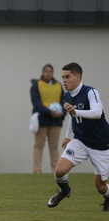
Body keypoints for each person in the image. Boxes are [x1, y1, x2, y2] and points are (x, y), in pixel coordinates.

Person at [47, 62, 109, 211]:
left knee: (100, 186)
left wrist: (75, 112)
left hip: (101, 145)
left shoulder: (90, 92)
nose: (64, 81)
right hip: (80, 141)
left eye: (67, 77)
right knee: (59, 171)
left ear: (78, 77)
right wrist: (68, 136)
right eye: (62, 77)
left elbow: (97, 112)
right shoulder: (67, 95)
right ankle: (65, 191)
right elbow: (72, 117)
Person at [30, 64, 66, 174]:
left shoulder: (58, 85)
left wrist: (62, 113)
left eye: (50, 71)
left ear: (53, 73)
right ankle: (37, 170)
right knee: (39, 145)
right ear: (43, 72)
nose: (48, 73)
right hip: (42, 119)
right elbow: (36, 103)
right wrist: (49, 112)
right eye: (46, 71)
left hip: (56, 121)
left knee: (54, 146)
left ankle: (55, 170)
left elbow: (64, 101)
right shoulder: (36, 85)